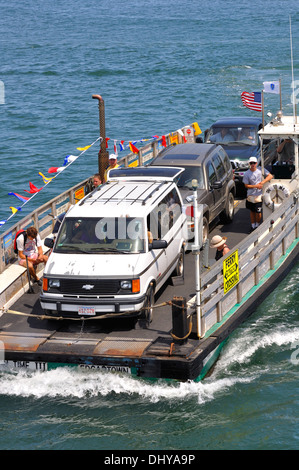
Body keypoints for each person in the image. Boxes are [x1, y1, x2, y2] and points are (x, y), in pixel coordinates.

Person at [243, 156, 273, 232]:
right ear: (249, 164)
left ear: (256, 163)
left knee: (258, 212)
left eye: (254, 163)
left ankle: (257, 225)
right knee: (252, 211)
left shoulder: (260, 170)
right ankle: (253, 226)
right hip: (250, 195)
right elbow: (246, 185)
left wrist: (262, 183)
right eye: (251, 163)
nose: (252, 164)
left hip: (259, 195)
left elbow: (270, 176)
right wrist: (256, 186)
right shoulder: (247, 173)